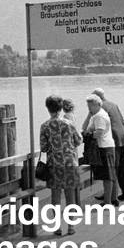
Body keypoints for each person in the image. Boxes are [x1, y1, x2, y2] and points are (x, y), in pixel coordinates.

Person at [39, 95, 82, 235]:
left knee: (55, 196)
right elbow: (78, 140)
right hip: (70, 163)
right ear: (60, 108)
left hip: (54, 164)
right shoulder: (69, 123)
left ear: (48, 108)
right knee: (70, 196)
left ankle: (57, 227)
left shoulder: (45, 126)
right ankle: (71, 227)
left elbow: (44, 147)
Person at [93, 88, 124, 201]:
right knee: (123, 168)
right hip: (123, 137)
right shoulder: (113, 104)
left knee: (111, 169)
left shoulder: (101, 108)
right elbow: (121, 120)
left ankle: (111, 197)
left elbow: (98, 126)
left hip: (114, 140)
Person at [82, 94, 119, 206]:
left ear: (96, 105)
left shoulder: (99, 116)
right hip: (107, 146)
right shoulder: (98, 114)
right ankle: (113, 199)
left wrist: (88, 135)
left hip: (104, 147)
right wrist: (89, 115)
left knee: (107, 176)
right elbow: (84, 127)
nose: (88, 108)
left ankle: (108, 202)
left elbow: (99, 132)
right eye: (87, 106)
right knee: (110, 174)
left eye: (90, 106)